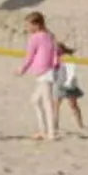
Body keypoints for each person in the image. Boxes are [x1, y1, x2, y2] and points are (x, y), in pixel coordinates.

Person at [17, 12, 60, 142]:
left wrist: (22, 69)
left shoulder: (36, 38)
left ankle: (51, 133)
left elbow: (29, 56)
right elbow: (56, 52)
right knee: (35, 100)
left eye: (29, 25)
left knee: (47, 102)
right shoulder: (50, 35)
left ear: (36, 25)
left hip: (44, 71)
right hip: (49, 71)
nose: (27, 28)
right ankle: (43, 130)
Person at [53, 42, 86, 133]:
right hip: (60, 84)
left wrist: (69, 83)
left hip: (69, 85)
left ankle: (80, 124)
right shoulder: (56, 58)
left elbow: (72, 73)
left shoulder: (68, 58)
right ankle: (55, 125)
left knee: (73, 105)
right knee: (56, 105)